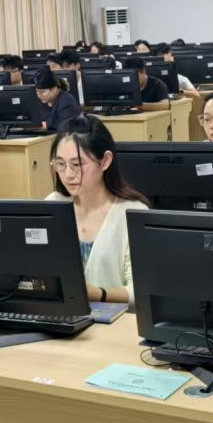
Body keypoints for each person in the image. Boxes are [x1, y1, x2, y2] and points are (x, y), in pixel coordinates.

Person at [45, 116, 149, 304]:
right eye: (60, 164)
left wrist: (99, 294)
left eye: (77, 164)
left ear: (105, 161)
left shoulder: (132, 213)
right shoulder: (53, 204)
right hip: (62, 315)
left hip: (116, 320)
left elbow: (142, 292)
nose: (67, 174)